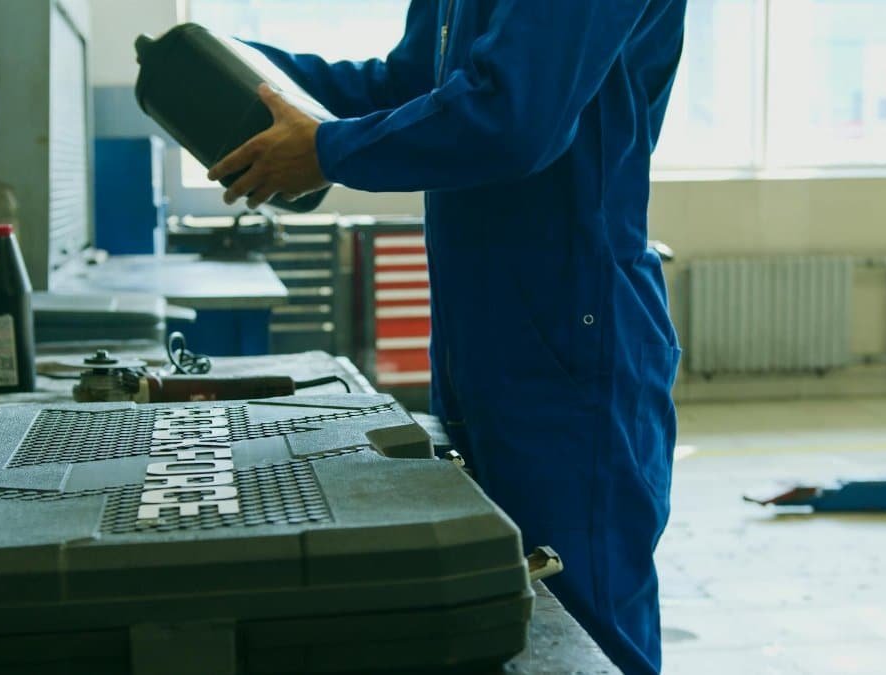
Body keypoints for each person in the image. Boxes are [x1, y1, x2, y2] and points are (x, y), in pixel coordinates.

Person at [208, 2, 686, 672]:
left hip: (573, 340)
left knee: (584, 625)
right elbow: (406, 89)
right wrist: (235, 70)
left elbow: (515, 119)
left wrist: (326, 150)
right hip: (483, 335)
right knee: (498, 612)